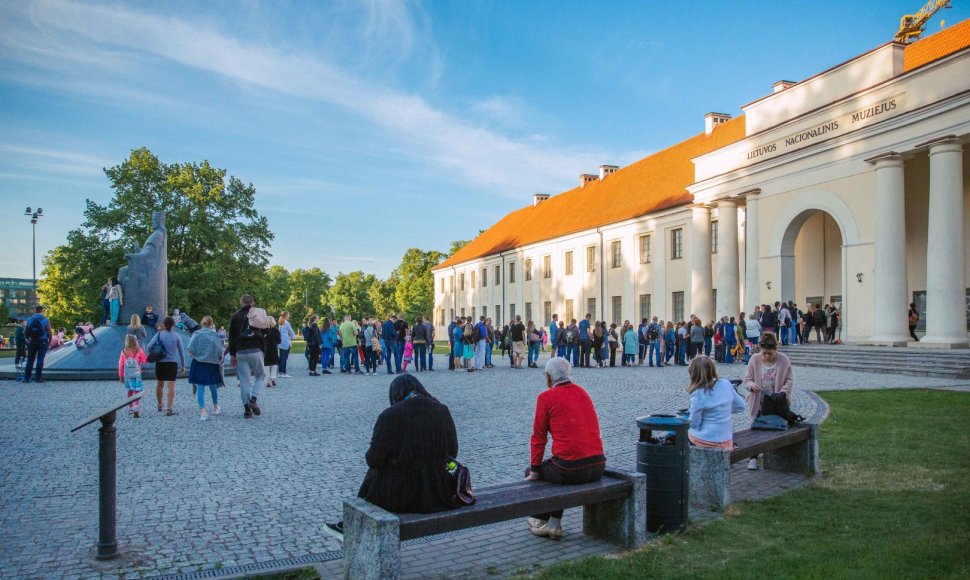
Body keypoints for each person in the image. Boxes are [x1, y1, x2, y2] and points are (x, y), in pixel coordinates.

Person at [323, 375, 461, 541]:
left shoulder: (390, 415)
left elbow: (373, 459)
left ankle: (351, 523)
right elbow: (453, 451)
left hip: (404, 495)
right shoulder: (442, 410)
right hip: (440, 490)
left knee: (376, 473)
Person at [526, 357, 606, 539]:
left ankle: (541, 521)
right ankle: (554, 522)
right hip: (597, 465)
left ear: (548, 378)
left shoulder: (545, 398)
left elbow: (538, 438)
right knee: (556, 470)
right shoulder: (583, 393)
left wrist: (534, 470)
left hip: (571, 469)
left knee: (537, 474)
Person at [742, 333, 794, 470]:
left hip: (777, 401)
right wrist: (752, 386)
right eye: (764, 353)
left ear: (775, 349)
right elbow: (747, 379)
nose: (766, 356)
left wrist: (783, 392)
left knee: (776, 426)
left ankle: (778, 457)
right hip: (758, 401)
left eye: (770, 353)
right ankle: (753, 458)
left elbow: (789, 380)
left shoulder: (784, 360)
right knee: (756, 428)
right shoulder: (754, 359)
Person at [686, 356, 746, 449]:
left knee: (681, 434)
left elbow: (694, 424)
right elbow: (741, 406)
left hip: (705, 440)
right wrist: (722, 411)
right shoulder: (726, 383)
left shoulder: (698, 393)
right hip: (726, 440)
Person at [228, 294, 267, 419]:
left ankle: (246, 410)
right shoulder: (258, 313)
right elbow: (266, 330)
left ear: (241, 302)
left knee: (244, 380)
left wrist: (232, 355)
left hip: (240, 350)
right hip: (256, 348)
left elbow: (231, 337)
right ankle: (254, 399)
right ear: (252, 303)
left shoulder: (235, 316)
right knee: (261, 375)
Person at [146, 316, 187, 415]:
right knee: (171, 386)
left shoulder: (159, 334)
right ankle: (169, 408)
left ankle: (160, 405)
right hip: (172, 363)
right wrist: (183, 366)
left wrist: (155, 352)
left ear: (163, 325)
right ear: (173, 325)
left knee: (160, 385)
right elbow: (182, 352)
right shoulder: (177, 336)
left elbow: (149, 346)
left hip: (160, 363)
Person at [188, 316, 224, 421]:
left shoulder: (196, 334)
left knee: (200, 387)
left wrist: (198, 355)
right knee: (213, 386)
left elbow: (190, 349)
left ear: (202, 323)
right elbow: (219, 350)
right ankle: (216, 407)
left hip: (198, 363)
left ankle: (202, 411)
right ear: (211, 324)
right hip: (212, 363)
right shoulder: (215, 335)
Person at [118, 334, 146, 417]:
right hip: (137, 375)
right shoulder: (139, 350)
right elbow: (144, 361)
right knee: (136, 391)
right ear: (135, 341)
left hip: (127, 375)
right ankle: (136, 407)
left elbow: (121, 365)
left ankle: (131, 407)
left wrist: (121, 376)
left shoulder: (124, 352)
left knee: (129, 391)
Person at [23, 305, 53, 383]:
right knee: (40, 359)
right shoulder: (45, 319)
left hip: (32, 341)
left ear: (35, 310)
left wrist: (28, 339)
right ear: (42, 310)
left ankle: (26, 378)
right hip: (43, 341)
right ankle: (38, 378)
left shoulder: (29, 319)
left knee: (30, 359)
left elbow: (25, 332)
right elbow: (49, 332)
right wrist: (49, 341)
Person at [262, 318, 281, 387]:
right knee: (274, 364)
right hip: (274, 349)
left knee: (266, 365)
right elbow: (279, 341)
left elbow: (261, 340)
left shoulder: (263, 330)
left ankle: (267, 381)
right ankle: (273, 378)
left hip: (266, 349)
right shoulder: (276, 330)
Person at [278, 311, 296, 377]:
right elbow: (291, 331)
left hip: (281, 342)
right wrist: (294, 337)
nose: (289, 316)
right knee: (284, 357)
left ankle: (280, 372)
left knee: (281, 357)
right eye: (288, 315)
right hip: (286, 342)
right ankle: (283, 372)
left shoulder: (280, 322)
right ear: (285, 316)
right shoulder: (286, 322)